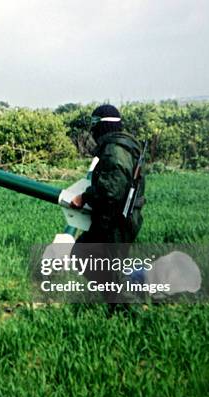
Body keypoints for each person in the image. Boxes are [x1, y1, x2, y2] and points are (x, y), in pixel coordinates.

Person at [70, 104, 146, 305]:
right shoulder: (118, 147)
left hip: (116, 221)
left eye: (94, 125)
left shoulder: (115, 151)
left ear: (101, 126)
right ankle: (125, 296)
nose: (92, 130)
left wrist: (85, 197)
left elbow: (112, 189)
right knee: (84, 253)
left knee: (110, 270)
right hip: (111, 219)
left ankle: (129, 313)